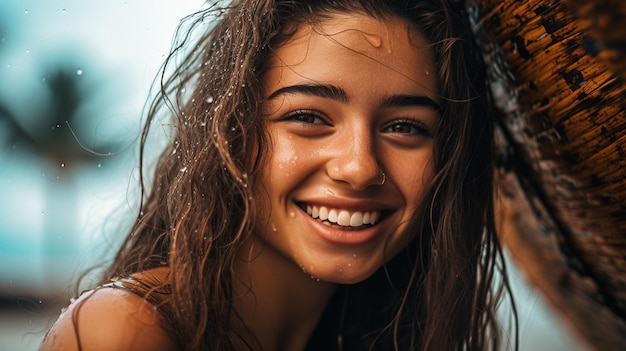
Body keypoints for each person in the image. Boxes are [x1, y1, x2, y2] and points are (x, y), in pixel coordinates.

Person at [40, 0, 517, 350]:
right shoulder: (127, 331)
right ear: (230, 133)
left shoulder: (386, 336)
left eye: (405, 127)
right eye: (309, 118)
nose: (359, 167)